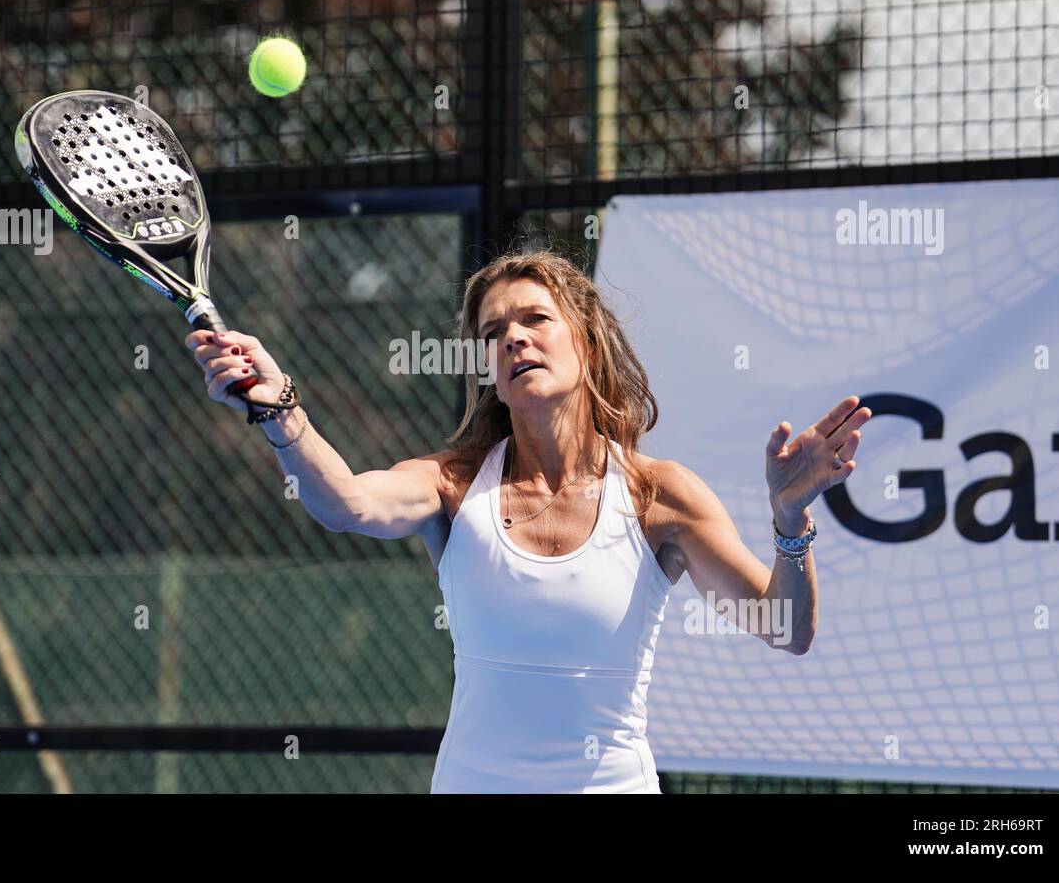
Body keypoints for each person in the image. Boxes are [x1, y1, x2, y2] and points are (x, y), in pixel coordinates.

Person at [185, 249, 870, 793]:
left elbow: (785, 627)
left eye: (535, 319)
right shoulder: (451, 484)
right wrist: (281, 411)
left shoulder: (659, 493)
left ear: (587, 343)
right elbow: (347, 503)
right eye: (494, 333)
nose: (513, 338)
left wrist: (789, 516)